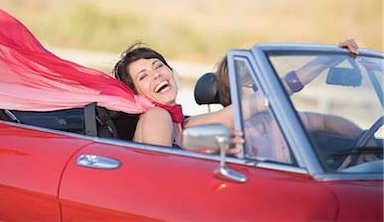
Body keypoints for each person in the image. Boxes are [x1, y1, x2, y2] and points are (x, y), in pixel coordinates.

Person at [210, 39, 363, 163]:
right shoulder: (233, 130)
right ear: (230, 95)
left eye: (261, 80)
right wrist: (325, 61)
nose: (260, 89)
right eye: (250, 83)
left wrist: (363, 140)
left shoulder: (277, 120)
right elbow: (289, 83)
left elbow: (324, 121)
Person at [113, 42, 244, 154]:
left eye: (158, 66)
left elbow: (237, 112)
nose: (156, 74)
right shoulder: (157, 116)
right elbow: (161, 172)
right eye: (143, 76)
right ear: (137, 93)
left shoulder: (181, 123)